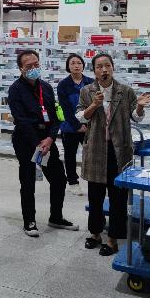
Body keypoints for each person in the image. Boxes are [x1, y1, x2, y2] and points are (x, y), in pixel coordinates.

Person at [76, 53, 150, 256]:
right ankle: (95, 233)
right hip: (96, 150)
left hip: (119, 150)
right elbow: (81, 117)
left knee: (118, 197)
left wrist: (139, 106)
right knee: (95, 195)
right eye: (99, 67)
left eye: (107, 66)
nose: (104, 70)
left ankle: (113, 239)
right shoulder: (86, 91)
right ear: (94, 71)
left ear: (113, 68)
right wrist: (94, 105)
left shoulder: (125, 91)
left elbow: (136, 117)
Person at [7, 50, 77, 237]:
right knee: (28, 181)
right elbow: (21, 120)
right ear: (21, 68)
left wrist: (50, 138)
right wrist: (38, 143)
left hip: (46, 139)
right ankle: (29, 221)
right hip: (26, 140)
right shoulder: (15, 89)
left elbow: (54, 116)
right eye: (29, 66)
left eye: (36, 64)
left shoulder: (45, 87)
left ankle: (56, 217)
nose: (33, 68)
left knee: (59, 179)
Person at [56, 53, 94, 196]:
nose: (76, 65)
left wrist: (87, 124)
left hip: (89, 126)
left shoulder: (91, 82)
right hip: (70, 127)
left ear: (83, 65)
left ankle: (95, 181)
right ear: (68, 66)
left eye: (79, 63)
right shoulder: (63, 85)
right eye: (72, 63)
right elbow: (65, 108)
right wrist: (77, 125)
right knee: (70, 155)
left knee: (92, 155)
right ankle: (73, 182)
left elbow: (95, 105)